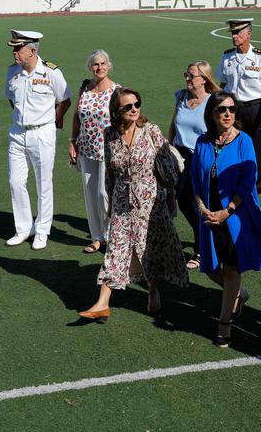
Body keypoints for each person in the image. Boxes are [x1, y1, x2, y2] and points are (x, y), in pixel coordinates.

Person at [78, 88, 187, 322]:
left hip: (150, 199)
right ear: (116, 111)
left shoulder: (151, 130)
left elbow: (168, 165)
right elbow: (109, 172)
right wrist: (108, 201)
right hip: (121, 199)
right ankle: (102, 303)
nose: (134, 109)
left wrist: (169, 196)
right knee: (116, 248)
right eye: (128, 106)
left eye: (137, 104)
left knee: (150, 249)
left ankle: (152, 289)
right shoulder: (109, 134)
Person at [191, 91, 261, 347]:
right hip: (208, 212)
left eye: (232, 109)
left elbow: (247, 183)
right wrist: (202, 207)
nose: (228, 114)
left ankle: (224, 324)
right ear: (211, 114)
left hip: (235, 214)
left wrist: (226, 212)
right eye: (222, 110)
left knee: (232, 267)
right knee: (211, 268)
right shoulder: (203, 142)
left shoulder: (244, 141)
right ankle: (238, 294)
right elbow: (195, 179)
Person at [5, 30, 71, 250]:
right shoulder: (12, 72)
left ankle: (42, 230)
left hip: (42, 133)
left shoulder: (51, 72)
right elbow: (11, 99)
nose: (14, 52)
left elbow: (65, 100)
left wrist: (52, 120)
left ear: (32, 51)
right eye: (14, 48)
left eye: (18, 48)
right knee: (15, 181)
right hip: (17, 133)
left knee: (43, 183)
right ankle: (24, 228)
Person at [216, 18, 261, 193]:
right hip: (233, 109)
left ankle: (255, 186)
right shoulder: (227, 56)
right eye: (233, 33)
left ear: (249, 33)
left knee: (255, 147)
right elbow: (221, 85)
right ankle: (233, 180)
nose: (234, 36)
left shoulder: (260, 57)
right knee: (230, 144)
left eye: (238, 32)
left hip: (254, 109)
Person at [168, 61, 220, 269]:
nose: (187, 79)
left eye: (191, 76)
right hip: (179, 157)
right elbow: (173, 124)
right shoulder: (181, 96)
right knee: (182, 202)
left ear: (204, 79)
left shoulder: (212, 102)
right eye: (186, 75)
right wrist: (168, 149)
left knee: (195, 204)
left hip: (199, 158)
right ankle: (203, 241)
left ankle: (201, 249)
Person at [68, 50, 119, 254]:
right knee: (90, 194)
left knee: (103, 194)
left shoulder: (116, 91)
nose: (100, 68)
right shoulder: (84, 87)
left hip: (108, 149)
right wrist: (72, 141)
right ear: (90, 67)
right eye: (95, 64)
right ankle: (97, 237)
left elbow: (123, 121)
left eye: (103, 63)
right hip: (86, 147)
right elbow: (77, 115)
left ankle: (109, 236)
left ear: (109, 65)